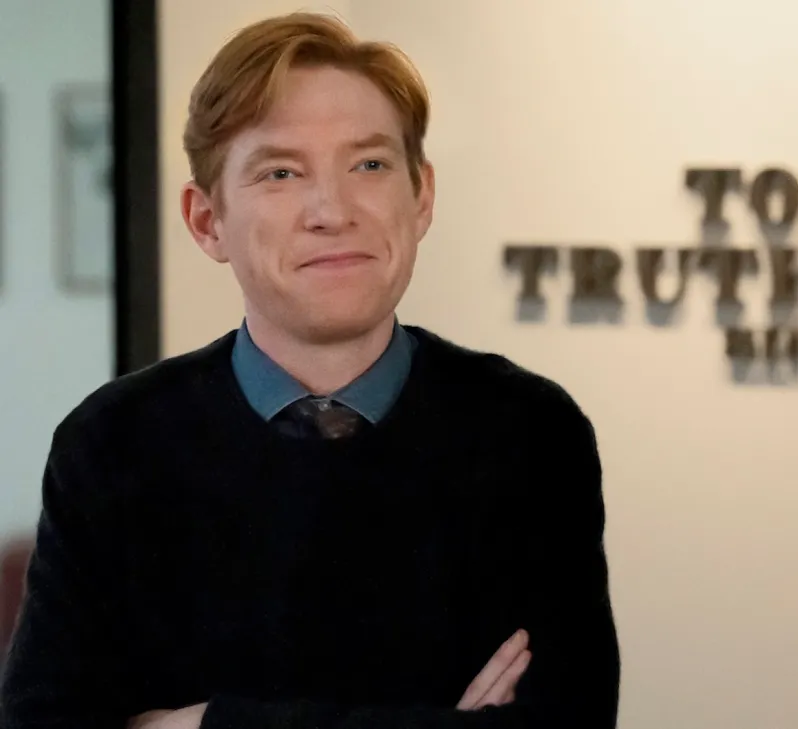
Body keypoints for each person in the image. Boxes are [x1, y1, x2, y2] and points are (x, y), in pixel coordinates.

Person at [0, 12, 619, 729]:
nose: (332, 209)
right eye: (281, 172)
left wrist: (203, 723)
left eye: (370, 165)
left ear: (420, 196)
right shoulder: (113, 443)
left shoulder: (530, 434)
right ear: (207, 221)